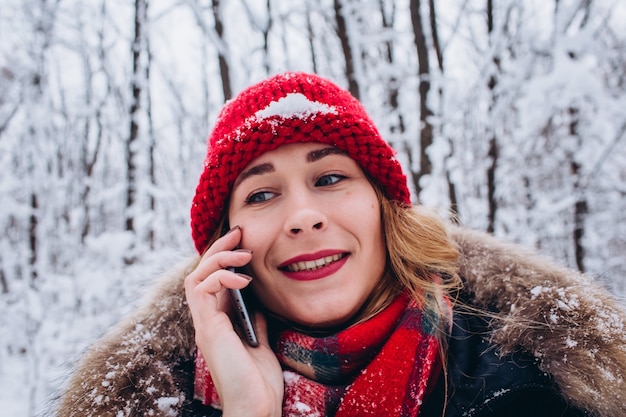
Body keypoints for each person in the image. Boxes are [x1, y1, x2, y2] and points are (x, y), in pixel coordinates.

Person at [56, 72, 626, 417]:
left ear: (385, 209)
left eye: (329, 179)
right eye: (260, 195)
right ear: (225, 248)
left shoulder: (533, 384)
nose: (302, 217)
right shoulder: (162, 401)